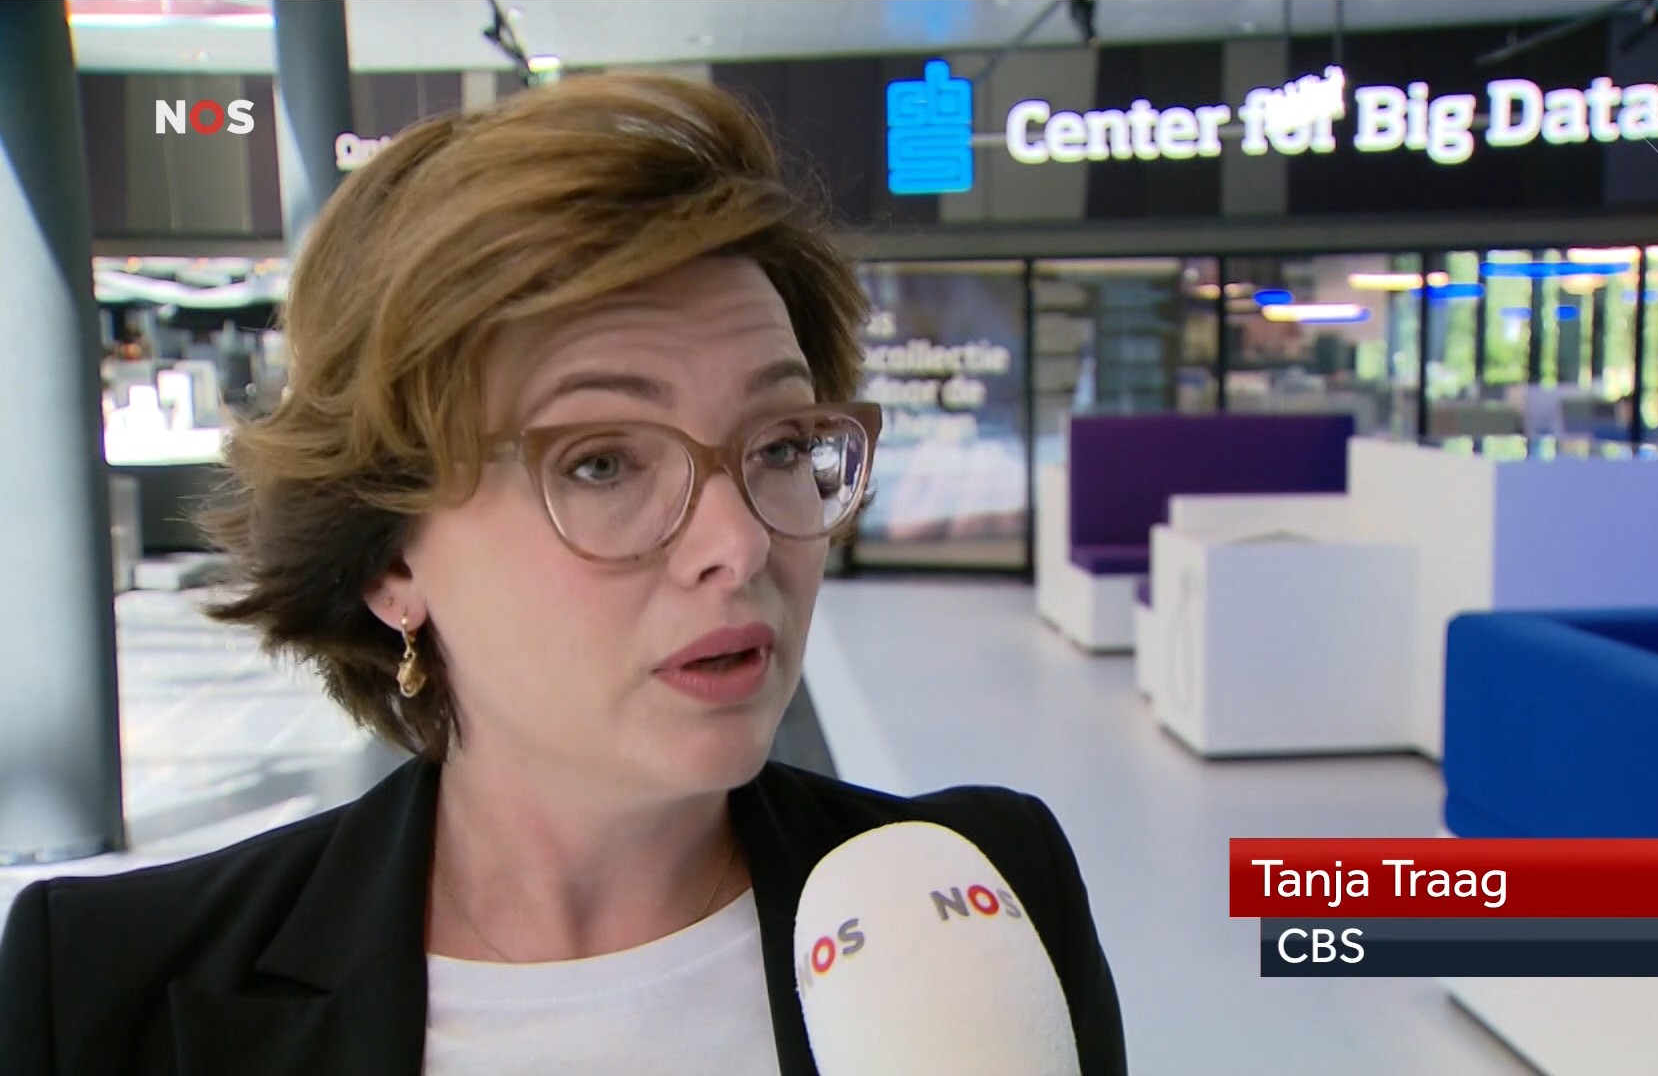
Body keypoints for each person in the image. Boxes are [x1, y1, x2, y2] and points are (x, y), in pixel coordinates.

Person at [0, 72, 1125, 1075]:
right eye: (600, 463)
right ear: (389, 555)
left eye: (781, 446)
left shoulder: (982, 896)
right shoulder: (108, 988)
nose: (738, 544)